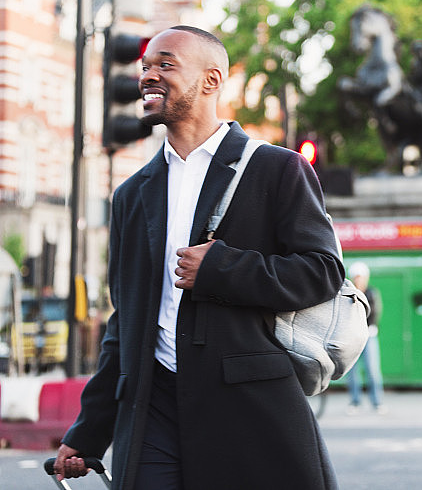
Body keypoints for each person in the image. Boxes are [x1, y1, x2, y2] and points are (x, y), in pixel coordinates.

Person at [52, 25, 344, 490]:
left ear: (211, 80)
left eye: (165, 64)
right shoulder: (132, 194)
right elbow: (125, 323)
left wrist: (223, 269)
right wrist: (88, 432)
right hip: (152, 410)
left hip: (247, 410)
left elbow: (323, 272)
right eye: (145, 66)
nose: (148, 76)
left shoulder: (277, 168)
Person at [345, 262, 386, 414]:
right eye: (356, 277)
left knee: (372, 370)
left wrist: (367, 329)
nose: (359, 280)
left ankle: (377, 402)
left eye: (361, 277)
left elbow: (375, 313)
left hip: (369, 336)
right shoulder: (348, 293)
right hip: (352, 338)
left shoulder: (372, 293)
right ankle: (355, 402)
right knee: (352, 371)